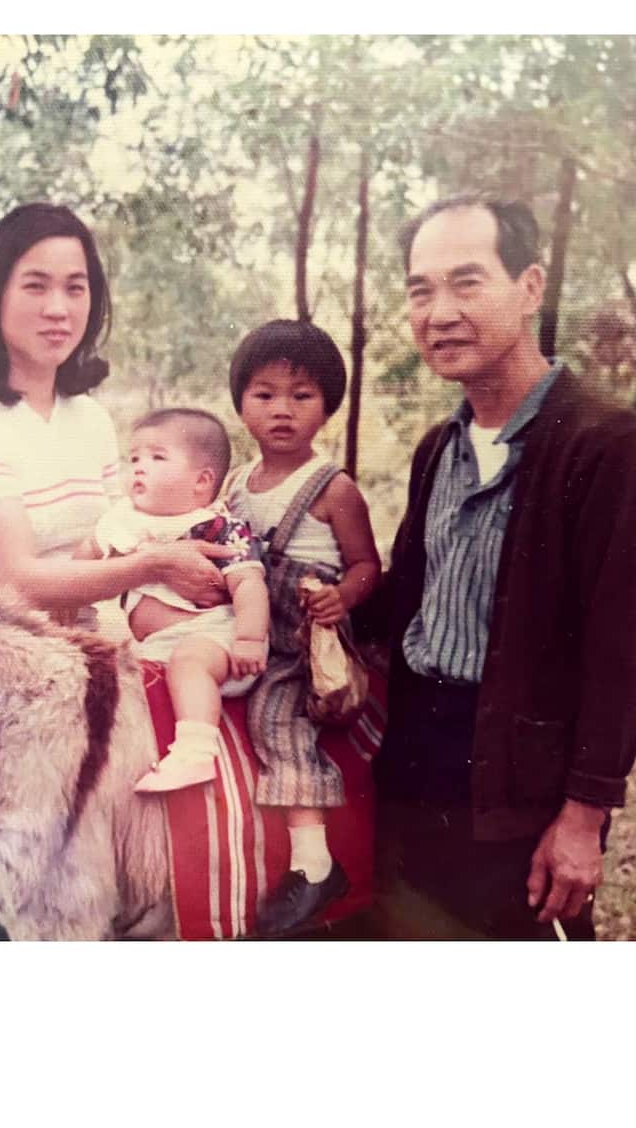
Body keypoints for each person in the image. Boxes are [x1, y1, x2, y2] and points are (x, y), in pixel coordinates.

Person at [0, 202, 237, 940]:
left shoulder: (88, 417)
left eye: (76, 287)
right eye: (35, 286)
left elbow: (101, 544)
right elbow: (20, 580)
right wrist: (157, 563)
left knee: (77, 898)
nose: (59, 309)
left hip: (69, 685)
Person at [358, 194, 636, 940]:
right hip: (410, 770)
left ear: (530, 288)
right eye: (420, 290)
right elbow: (408, 601)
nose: (439, 312)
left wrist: (585, 815)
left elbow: (623, 651)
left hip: (520, 788)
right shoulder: (440, 447)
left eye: (467, 283)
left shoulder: (604, 442)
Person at [223, 320, 382, 937]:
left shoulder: (333, 489)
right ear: (240, 402)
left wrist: (343, 596)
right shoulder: (234, 484)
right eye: (264, 395)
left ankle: (315, 866)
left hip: (300, 647)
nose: (281, 410)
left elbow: (368, 564)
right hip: (242, 629)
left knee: (275, 719)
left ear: (328, 407)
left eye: (301, 396)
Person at [77, 407, 270, 792]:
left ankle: (196, 754)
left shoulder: (217, 527)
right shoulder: (122, 519)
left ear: (201, 482)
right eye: (134, 458)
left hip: (214, 639)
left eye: (157, 457)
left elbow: (249, 584)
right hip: (152, 646)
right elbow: (82, 563)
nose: (139, 468)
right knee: (118, 679)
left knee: (189, 663)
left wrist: (249, 637)